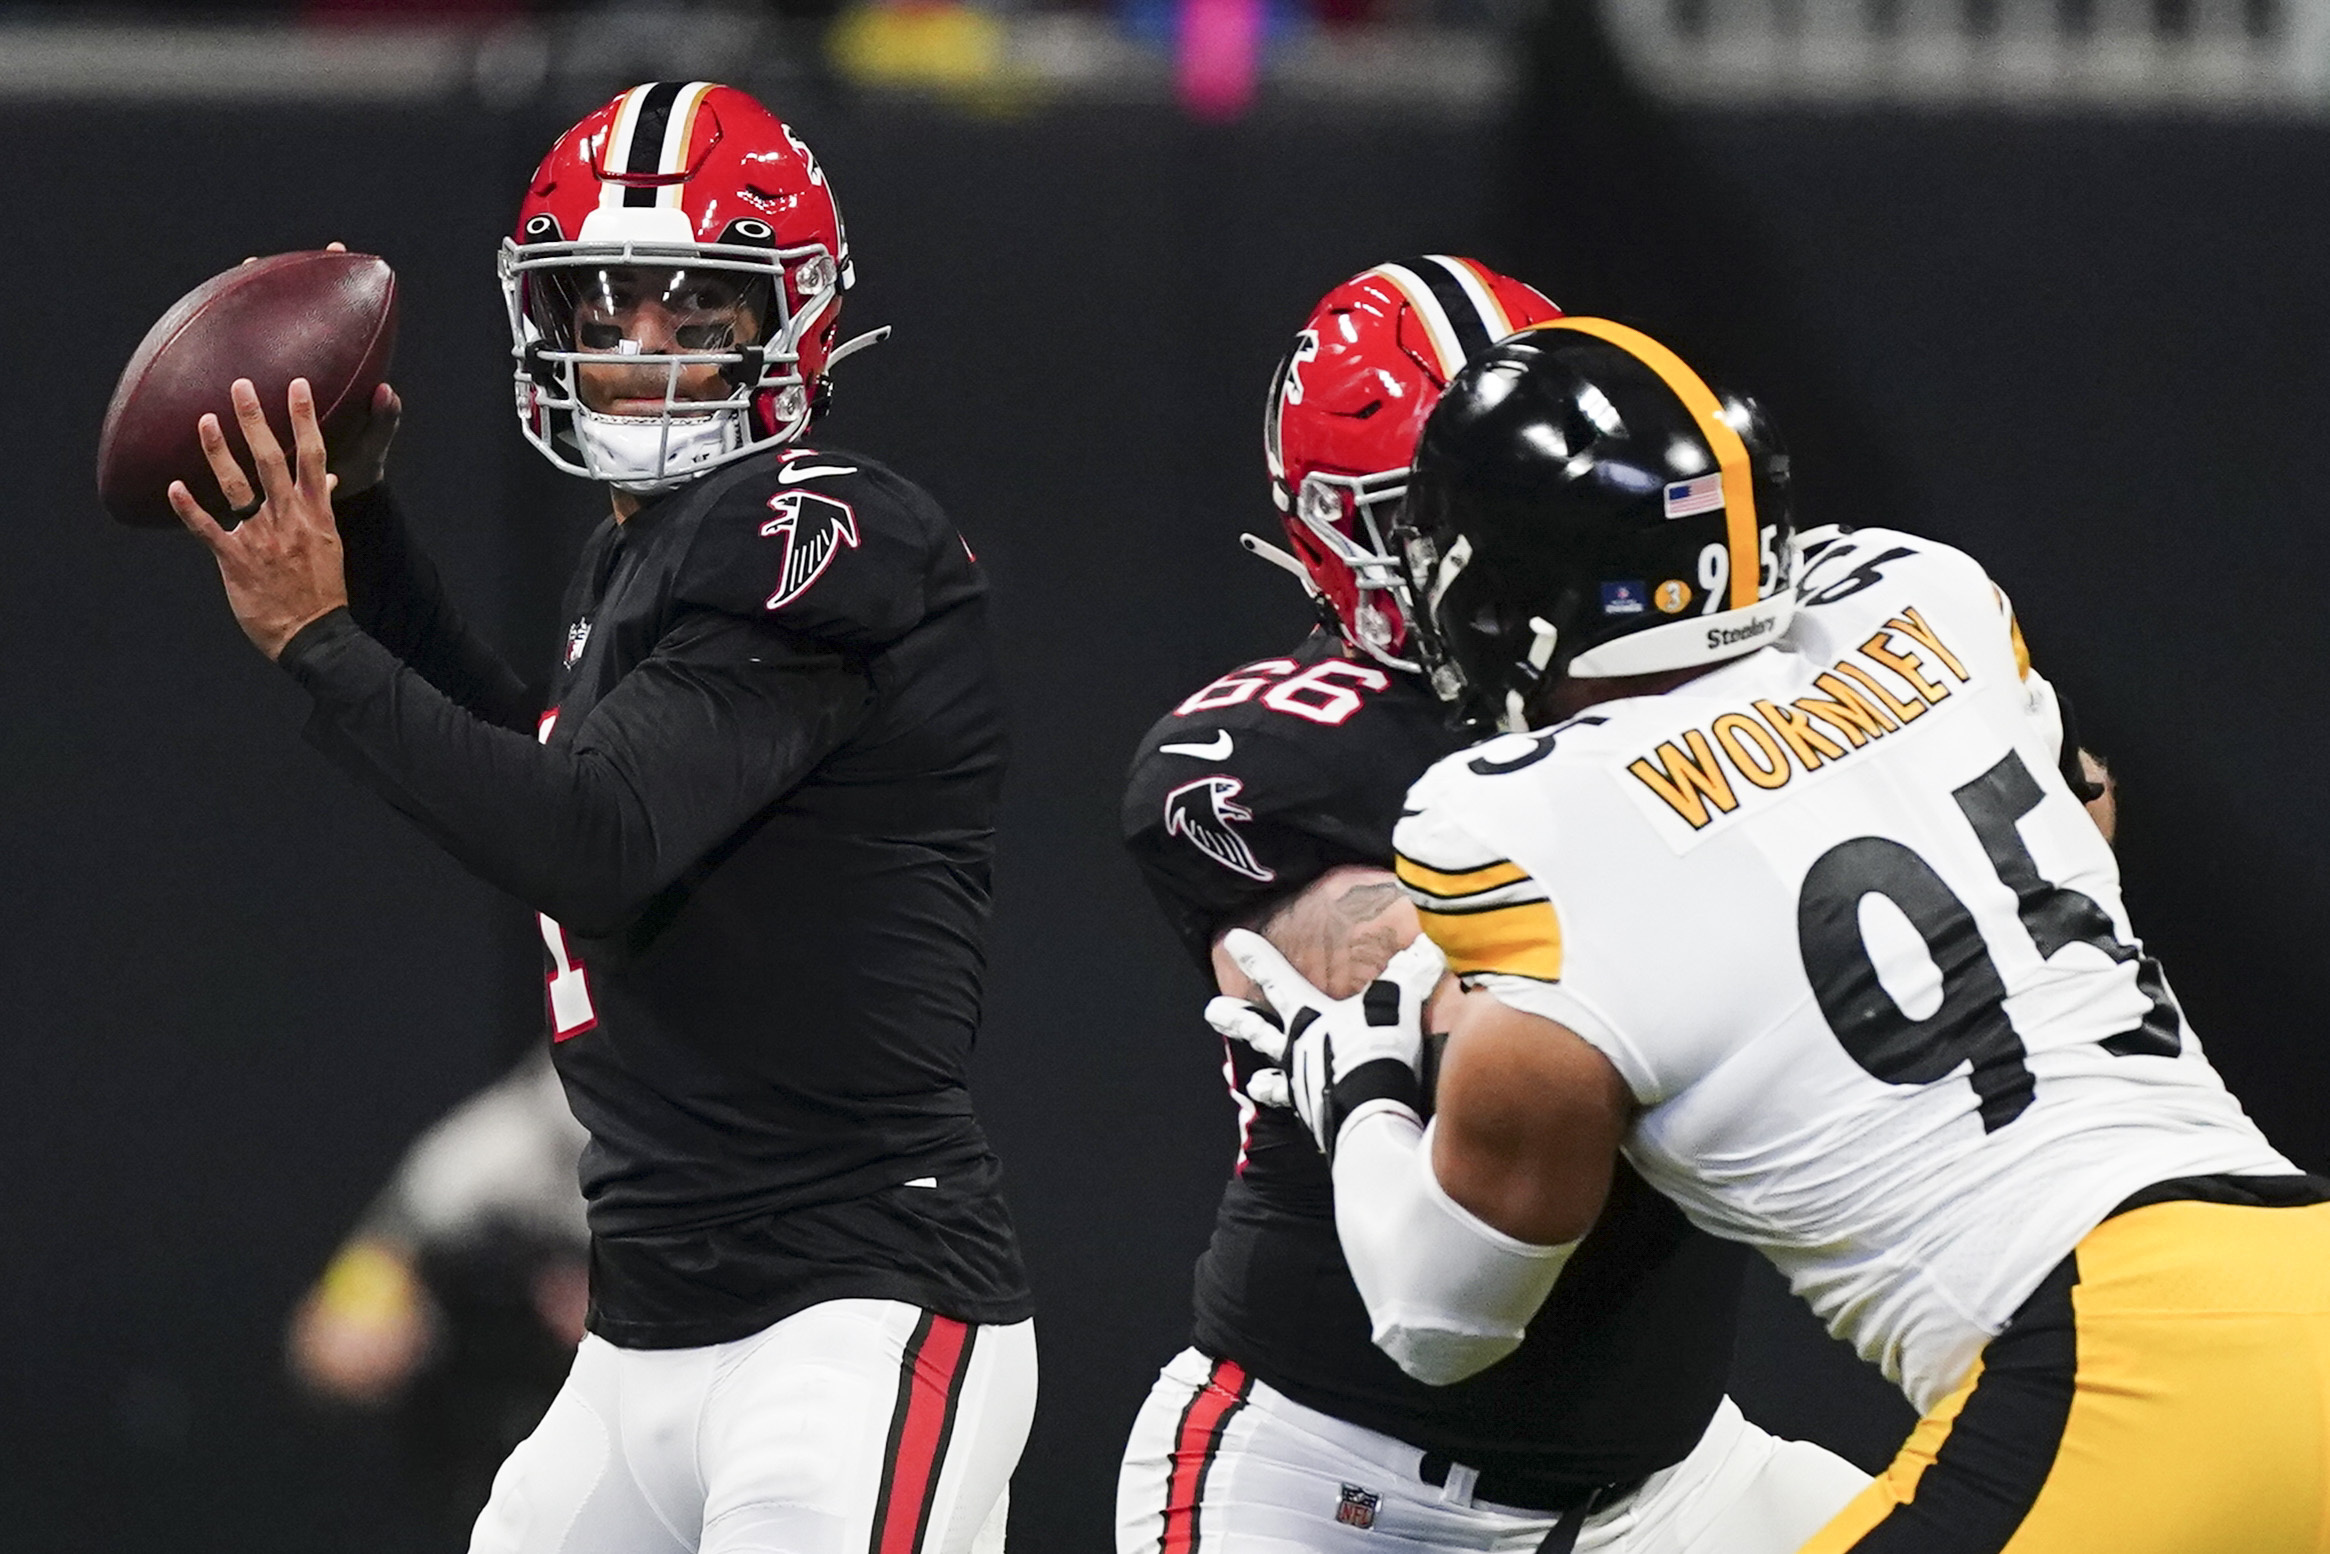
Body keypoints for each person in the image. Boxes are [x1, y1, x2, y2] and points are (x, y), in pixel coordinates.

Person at [1215, 317, 2329, 1552]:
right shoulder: (1926, 597)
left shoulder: (1510, 820)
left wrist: (1363, 1087)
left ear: (1499, 589)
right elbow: (2080, 807)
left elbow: (1440, 1317)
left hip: (2110, 1369)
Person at [167, 81, 1034, 1554]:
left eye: (691, 316)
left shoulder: (819, 524)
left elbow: (587, 835)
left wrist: (319, 644)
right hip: (643, 1327)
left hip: (848, 1312)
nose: (637, 354)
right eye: (605, 308)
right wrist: (367, 546)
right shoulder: (646, 557)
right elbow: (545, 772)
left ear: (792, 323)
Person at [1118, 259, 1867, 1554]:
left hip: (1667, 1480)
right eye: (1427, 505)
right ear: (1334, 530)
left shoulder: (1681, 681)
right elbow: (1469, 987)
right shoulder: (1272, 751)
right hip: (1336, 1473)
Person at [288, 1048, 589, 1544]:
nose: (373, 1356)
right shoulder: (463, 1416)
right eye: (364, 1375)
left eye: (357, 1345)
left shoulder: (436, 1205)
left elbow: (390, 1239)